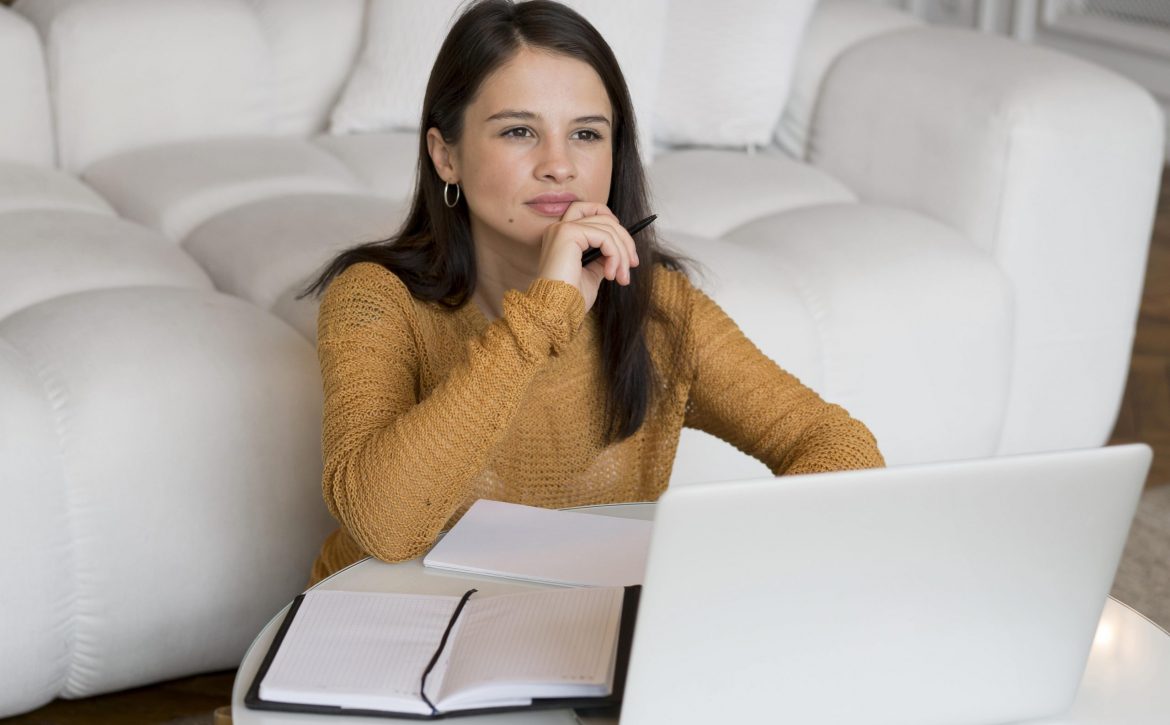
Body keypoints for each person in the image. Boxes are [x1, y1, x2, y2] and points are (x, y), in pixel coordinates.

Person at [297, 0, 884, 586]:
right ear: (445, 154)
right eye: (519, 131)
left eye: (586, 134)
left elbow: (836, 445)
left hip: (575, 630)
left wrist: (721, 570)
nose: (559, 165)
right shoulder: (375, 299)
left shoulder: (661, 310)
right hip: (384, 632)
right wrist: (545, 315)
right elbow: (386, 527)